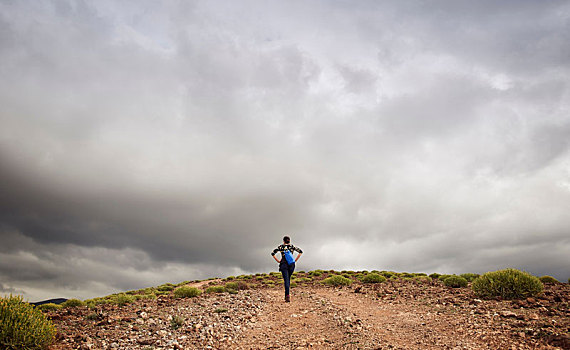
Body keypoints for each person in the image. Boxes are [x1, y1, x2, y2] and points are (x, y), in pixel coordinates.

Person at [271, 236, 303, 302]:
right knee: (288, 279)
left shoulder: (281, 247)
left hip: (283, 264)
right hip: (291, 264)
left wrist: (278, 261)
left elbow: (273, 253)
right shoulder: (292, 246)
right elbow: (300, 252)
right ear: (289, 241)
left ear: (283, 241)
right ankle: (287, 295)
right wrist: (295, 260)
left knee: (286, 280)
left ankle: (287, 295)